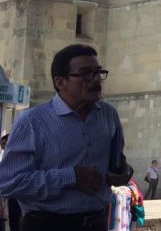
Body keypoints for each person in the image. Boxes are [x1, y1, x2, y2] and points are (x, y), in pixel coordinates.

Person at [0, 44, 133, 231]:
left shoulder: (109, 115)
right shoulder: (32, 122)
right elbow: (8, 182)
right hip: (47, 224)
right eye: (86, 73)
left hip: (97, 221)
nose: (96, 79)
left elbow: (118, 161)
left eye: (98, 72)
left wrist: (122, 172)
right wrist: (71, 176)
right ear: (60, 82)